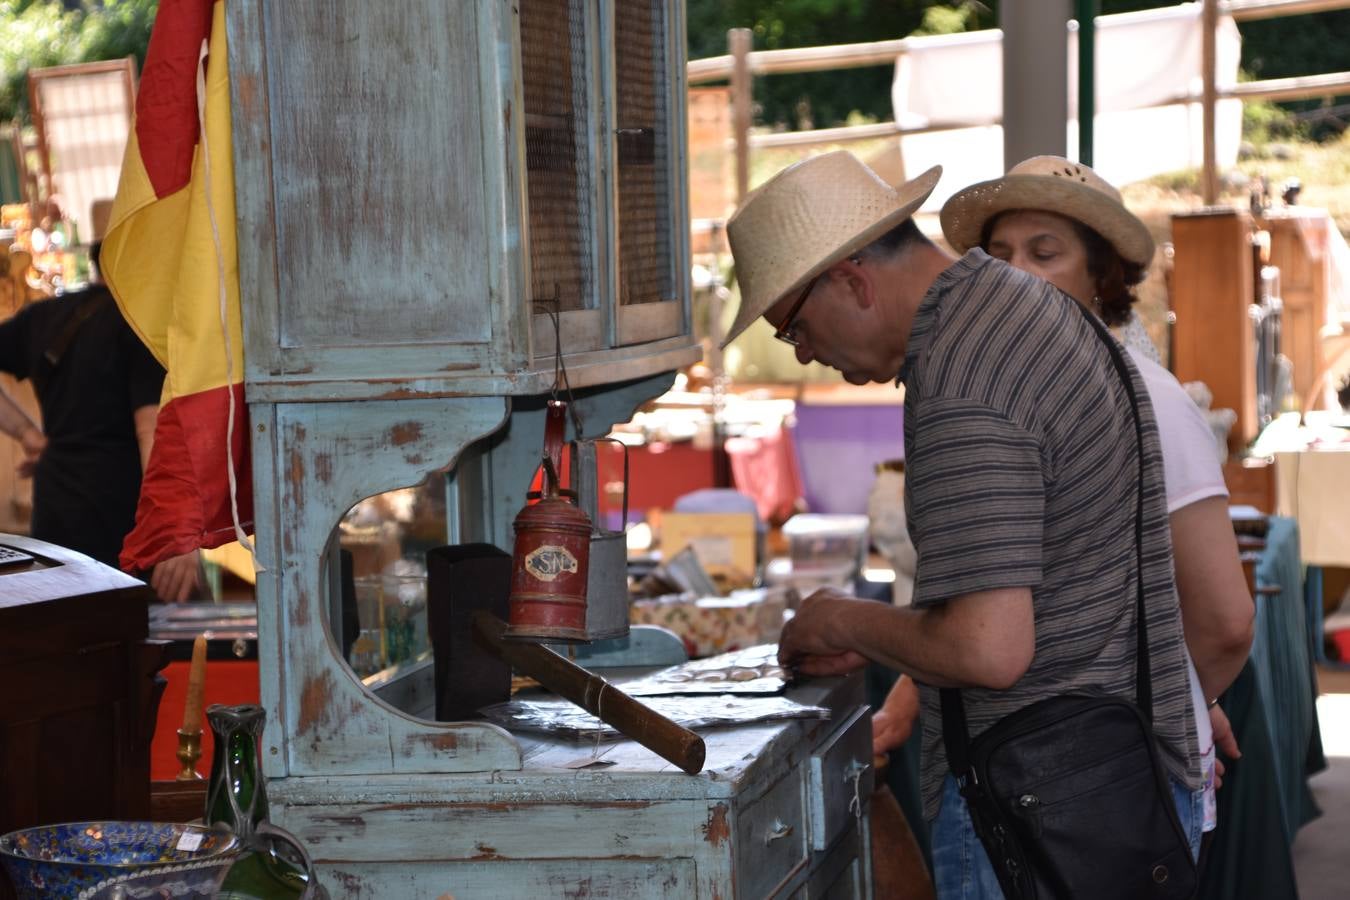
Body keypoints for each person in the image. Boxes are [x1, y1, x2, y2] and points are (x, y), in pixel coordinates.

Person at [722, 150, 1201, 898]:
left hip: (1037, 807)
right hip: (1106, 780)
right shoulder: (1018, 306)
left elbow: (987, 649)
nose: (805, 352)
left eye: (793, 326)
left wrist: (842, 621)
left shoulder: (962, 375)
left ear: (852, 280)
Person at [874, 156, 1255, 852]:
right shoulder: (1016, 386)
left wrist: (1167, 710)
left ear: (1100, 277)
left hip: (1087, 788)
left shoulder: (1146, 398)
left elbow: (1224, 620)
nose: (1015, 271)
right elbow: (1018, 591)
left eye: (1044, 253)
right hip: (1049, 778)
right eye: (998, 254)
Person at [0, 236, 201, 600]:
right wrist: (175, 525)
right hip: (120, 509)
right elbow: (149, 431)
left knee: (71, 631)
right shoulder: (139, 325)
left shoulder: (43, 317)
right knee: (130, 635)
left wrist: (27, 434)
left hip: (56, 507)